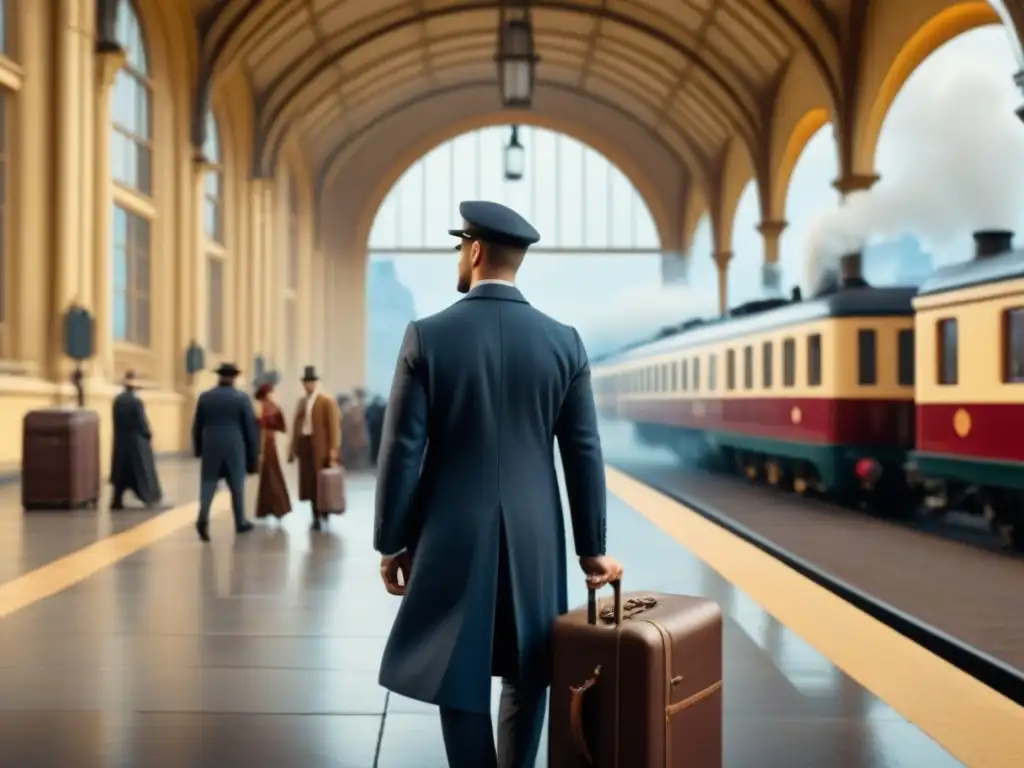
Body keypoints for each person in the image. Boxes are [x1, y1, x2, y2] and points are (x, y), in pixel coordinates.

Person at [374, 200, 623, 768]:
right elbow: (583, 452)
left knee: (455, 668)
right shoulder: (566, 342)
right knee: (529, 666)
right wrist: (592, 548)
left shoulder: (427, 336)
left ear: (476, 250)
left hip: (450, 530)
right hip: (536, 532)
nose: (459, 257)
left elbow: (402, 450)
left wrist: (392, 539)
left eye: (460, 246)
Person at [192, 362, 259, 541]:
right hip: (234, 445)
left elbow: (197, 426)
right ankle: (240, 522)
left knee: (208, 483)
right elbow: (250, 429)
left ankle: (202, 518)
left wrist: (198, 449)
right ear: (234, 378)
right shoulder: (241, 398)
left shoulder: (205, 397)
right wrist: (253, 455)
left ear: (219, 376)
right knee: (237, 484)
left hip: (211, 444)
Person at [287, 366, 341, 531]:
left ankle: (324, 511)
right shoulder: (302, 402)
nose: (308, 386)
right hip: (306, 446)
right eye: (306, 383)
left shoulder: (326, 402)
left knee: (322, 482)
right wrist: (292, 449)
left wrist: (333, 452)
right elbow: (297, 425)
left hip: (321, 449)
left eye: (311, 382)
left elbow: (333, 428)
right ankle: (314, 515)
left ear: (316, 383)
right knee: (309, 483)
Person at [110, 369, 166, 510]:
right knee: (142, 471)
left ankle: (117, 500)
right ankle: (149, 497)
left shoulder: (117, 401)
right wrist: (148, 434)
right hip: (136, 441)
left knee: (121, 472)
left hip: (121, 441)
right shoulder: (136, 402)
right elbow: (141, 422)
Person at [253, 380, 291, 521]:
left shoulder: (268, 408)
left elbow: (282, 427)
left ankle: (276, 507)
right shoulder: (267, 408)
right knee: (269, 476)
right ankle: (272, 508)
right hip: (267, 443)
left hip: (270, 444)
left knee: (271, 474)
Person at [365, 395, 386, 467]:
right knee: (379, 445)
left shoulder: (370, 408)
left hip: (372, 430)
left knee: (373, 446)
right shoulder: (382, 408)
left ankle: (373, 461)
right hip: (380, 430)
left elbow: (366, 417)